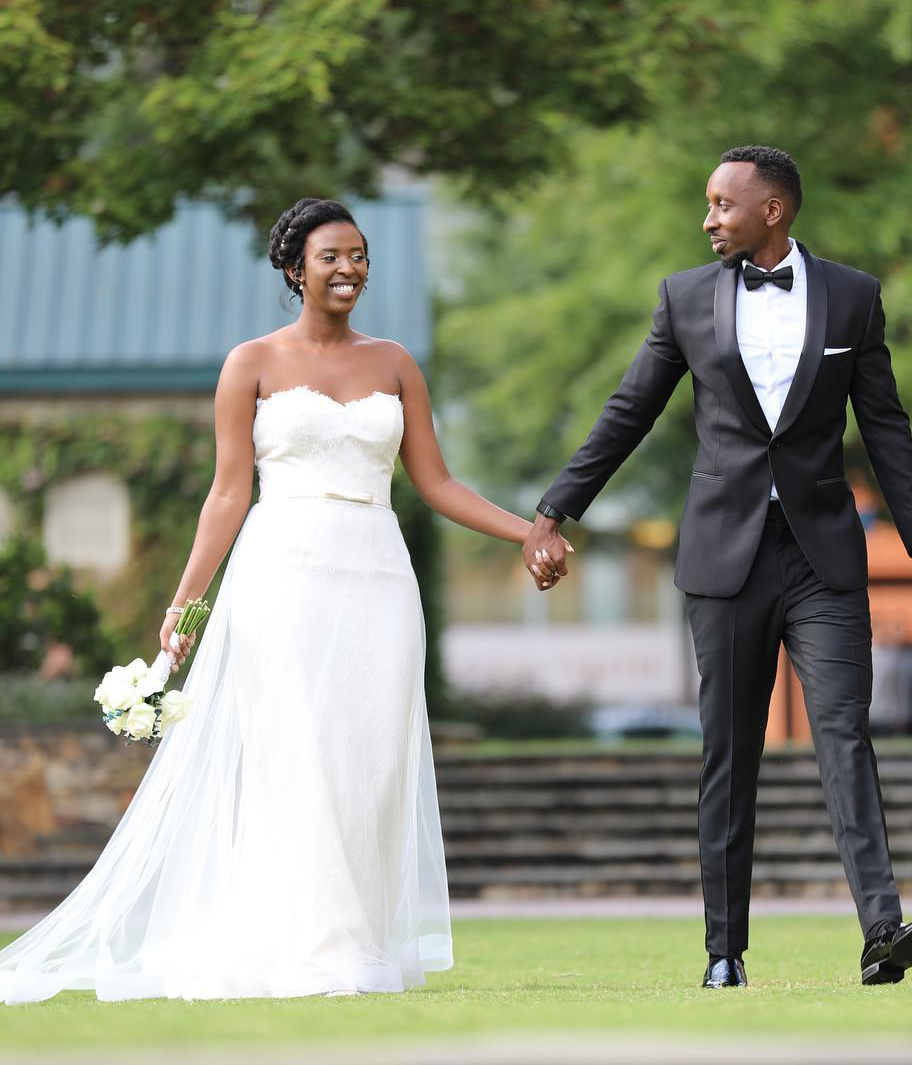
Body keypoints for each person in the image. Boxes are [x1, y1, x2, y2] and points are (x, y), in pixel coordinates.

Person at [0, 198, 565, 1003]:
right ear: (295, 267)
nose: (350, 269)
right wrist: (187, 602)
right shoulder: (251, 363)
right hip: (284, 574)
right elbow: (228, 494)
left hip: (377, 576)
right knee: (295, 754)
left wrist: (528, 533)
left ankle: (358, 940)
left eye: (361, 255)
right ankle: (308, 949)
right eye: (332, 255)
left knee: (368, 762)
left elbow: (436, 483)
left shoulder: (397, 363)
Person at [524, 147, 912, 987]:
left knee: (844, 735)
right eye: (708, 204)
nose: (710, 217)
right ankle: (724, 951)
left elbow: (887, 426)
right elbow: (629, 410)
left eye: (724, 204)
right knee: (729, 751)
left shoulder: (854, 298)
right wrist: (553, 509)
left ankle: (882, 930)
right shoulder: (682, 298)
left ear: (775, 210)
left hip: (823, 556)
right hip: (725, 558)